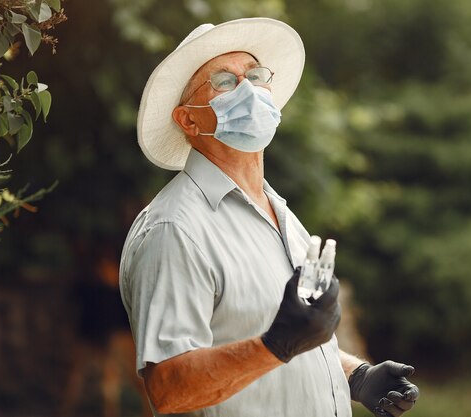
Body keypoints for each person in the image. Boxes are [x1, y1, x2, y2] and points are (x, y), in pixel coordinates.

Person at [119, 17, 419, 417]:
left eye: (256, 75)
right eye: (225, 81)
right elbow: (170, 388)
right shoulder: (174, 229)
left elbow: (282, 337)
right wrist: (274, 346)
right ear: (189, 120)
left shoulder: (278, 211)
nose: (249, 89)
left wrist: (354, 375)